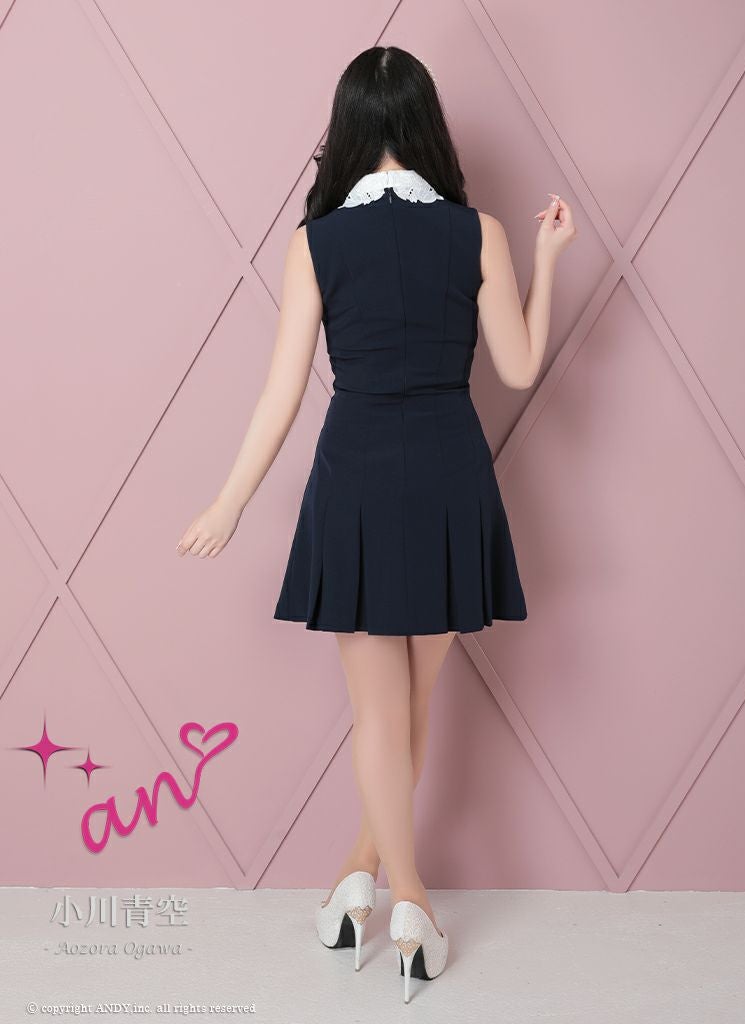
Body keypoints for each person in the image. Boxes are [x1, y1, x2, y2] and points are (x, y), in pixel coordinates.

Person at [177, 45, 576, 1003]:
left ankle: (407, 899)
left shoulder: (314, 243)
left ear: (349, 131)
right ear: (427, 125)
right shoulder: (477, 233)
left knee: (379, 715)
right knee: (413, 705)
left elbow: (282, 394)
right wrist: (549, 262)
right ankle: (367, 882)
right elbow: (519, 369)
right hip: (449, 472)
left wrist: (230, 499)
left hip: (355, 475)